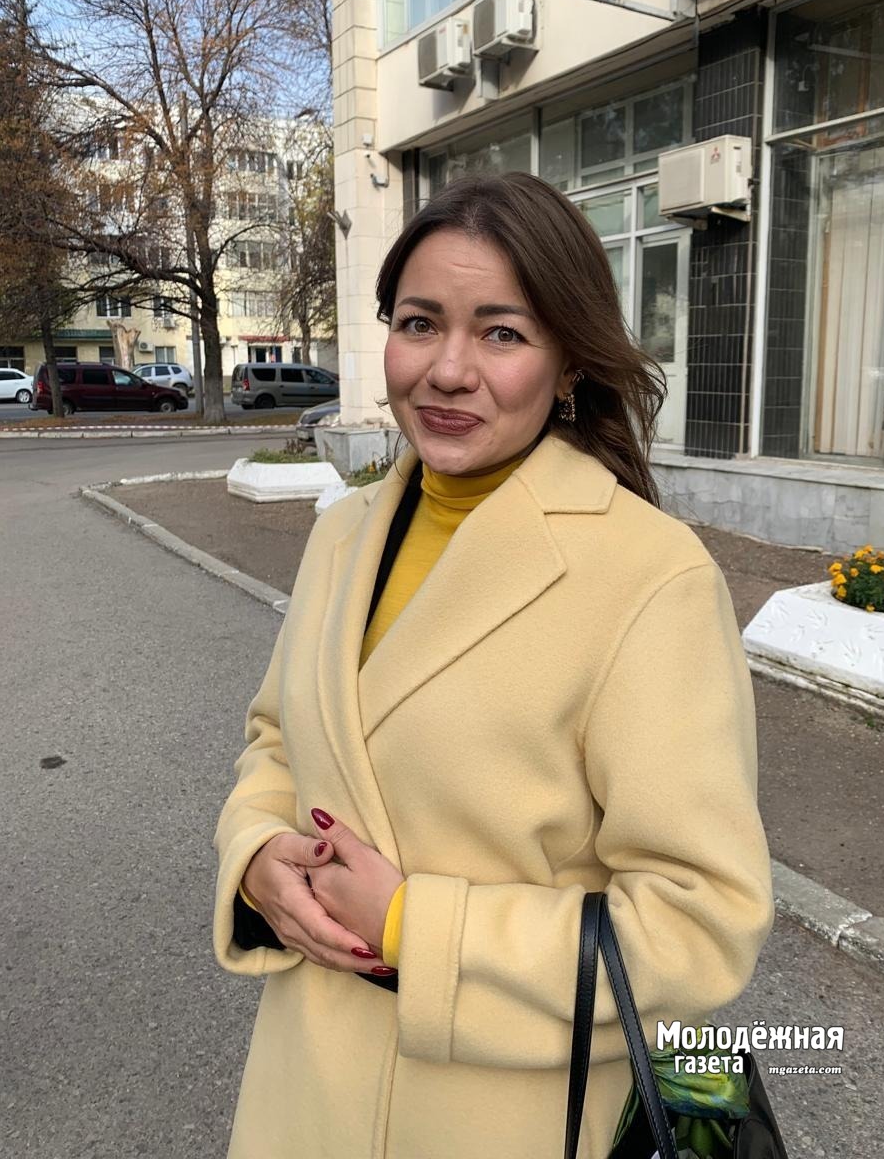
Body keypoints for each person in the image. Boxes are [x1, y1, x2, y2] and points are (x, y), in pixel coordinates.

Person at [213, 172, 774, 1159]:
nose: (447, 370)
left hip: (509, 1116)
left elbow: (699, 926)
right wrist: (256, 856)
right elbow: (278, 742)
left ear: (570, 364)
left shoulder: (649, 576)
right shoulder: (343, 534)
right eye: (420, 323)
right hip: (303, 1095)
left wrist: (411, 927)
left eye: (502, 333)